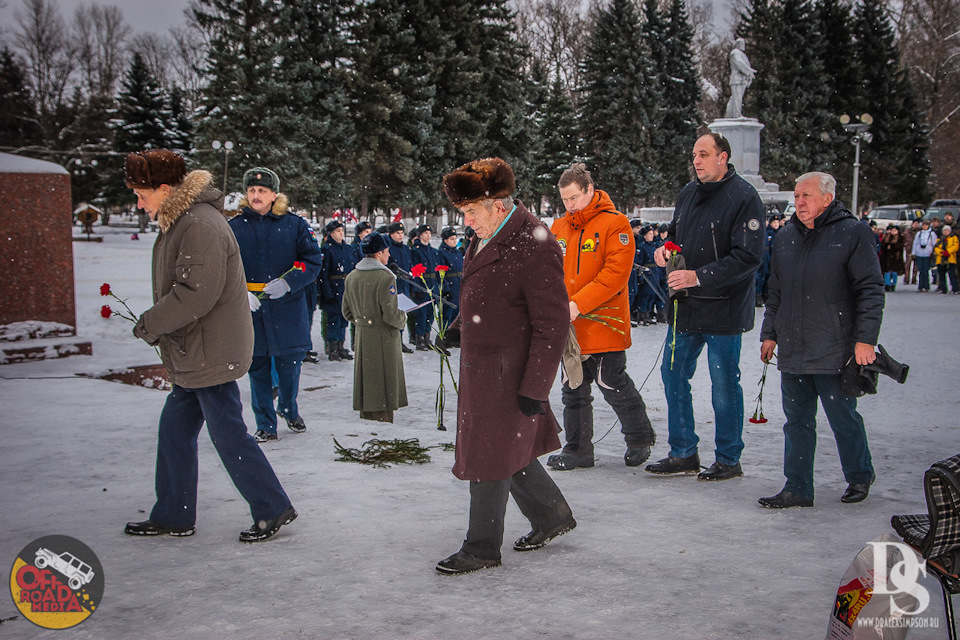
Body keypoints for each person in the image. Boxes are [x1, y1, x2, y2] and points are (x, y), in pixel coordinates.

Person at [123, 150, 297, 542]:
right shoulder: (183, 220)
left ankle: (270, 507)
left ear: (165, 189)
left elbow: (194, 294)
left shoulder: (198, 224)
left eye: (141, 193)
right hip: (197, 347)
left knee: (228, 433)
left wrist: (151, 323)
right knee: (175, 431)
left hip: (209, 349)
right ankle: (174, 513)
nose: (139, 202)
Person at [435, 157, 575, 575]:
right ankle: (552, 515)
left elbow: (553, 323)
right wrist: (460, 327)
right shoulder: (486, 234)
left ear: (497, 205)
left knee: (489, 453)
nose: (467, 221)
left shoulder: (536, 243)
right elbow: (488, 292)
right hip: (482, 365)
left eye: (471, 212)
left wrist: (536, 386)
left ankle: (481, 547)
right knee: (507, 446)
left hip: (509, 371)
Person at [758, 172, 884, 508]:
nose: (799, 202)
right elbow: (776, 292)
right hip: (793, 348)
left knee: (842, 417)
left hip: (835, 347)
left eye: (807, 196)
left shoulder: (853, 233)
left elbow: (870, 290)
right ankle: (797, 486)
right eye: (797, 196)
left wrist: (865, 339)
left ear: (827, 198)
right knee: (797, 422)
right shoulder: (785, 238)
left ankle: (859, 474)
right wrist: (769, 333)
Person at [646, 133, 764, 481]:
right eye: (694, 155)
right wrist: (665, 251)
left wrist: (699, 277)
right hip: (685, 308)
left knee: (724, 385)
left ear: (723, 157)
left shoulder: (744, 197)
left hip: (724, 309)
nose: (696, 161)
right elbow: (673, 236)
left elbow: (749, 256)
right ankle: (683, 452)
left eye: (704, 154)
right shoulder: (688, 192)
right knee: (673, 376)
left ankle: (728, 458)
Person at [548, 163, 656, 471]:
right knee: (574, 387)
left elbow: (614, 275)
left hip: (604, 321)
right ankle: (578, 450)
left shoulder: (615, 224)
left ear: (589, 191)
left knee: (611, 382)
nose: (569, 205)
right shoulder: (559, 227)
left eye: (574, 197)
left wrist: (578, 303)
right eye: (564, 199)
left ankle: (639, 437)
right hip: (569, 326)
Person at [228, 167, 322, 443]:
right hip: (250, 309)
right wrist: (238, 293)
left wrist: (290, 282)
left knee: (290, 365)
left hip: (287, 308)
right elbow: (222, 267)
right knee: (256, 367)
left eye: (262, 191)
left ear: (274, 194)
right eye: (252, 191)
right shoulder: (233, 227)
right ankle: (265, 424)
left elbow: (312, 261)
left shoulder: (295, 225)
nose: (256, 196)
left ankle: (288, 408)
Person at [342, 233, 408, 422]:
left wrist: (363, 321)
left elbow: (347, 312)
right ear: (379, 253)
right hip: (383, 339)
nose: (389, 256)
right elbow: (391, 315)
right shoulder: (385, 277)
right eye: (387, 252)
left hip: (363, 339)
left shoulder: (352, 276)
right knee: (383, 393)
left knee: (368, 392)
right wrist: (403, 317)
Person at [319, 220, 356, 361]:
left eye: (342, 230)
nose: (341, 233)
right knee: (333, 320)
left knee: (344, 319)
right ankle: (332, 347)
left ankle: (341, 345)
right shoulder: (327, 249)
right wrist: (327, 292)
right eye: (338, 231)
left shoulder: (347, 248)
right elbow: (324, 273)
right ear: (331, 233)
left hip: (346, 288)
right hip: (333, 288)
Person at [410, 223, 441, 351]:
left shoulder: (433, 251)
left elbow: (437, 270)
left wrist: (439, 286)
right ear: (420, 235)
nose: (428, 236)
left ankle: (427, 337)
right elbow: (414, 271)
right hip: (422, 284)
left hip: (432, 283)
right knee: (421, 314)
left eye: (429, 234)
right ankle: (419, 339)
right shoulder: (416, 251)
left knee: (430, 313)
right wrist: (416, 288)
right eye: (425, 234)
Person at [386, 221, 415, 353]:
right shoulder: (388, 249)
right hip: (392, 286)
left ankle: (400, 340)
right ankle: (392, 341)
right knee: (392, 315)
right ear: (391, 234)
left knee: (402, 315)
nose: (400, 235)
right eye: (397, 233)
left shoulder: (405, 249)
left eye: (402, 233)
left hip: (404, 285)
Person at [437, 226, 463, 331]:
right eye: (452, 239)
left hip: (458, 284)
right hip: (449, 285)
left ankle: (453, 333)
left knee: (456, 312)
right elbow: (440, 273)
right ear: (445, 240)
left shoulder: (457, 253)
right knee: (446, 312)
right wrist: (445, 288)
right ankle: (444, 333)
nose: (455, 241)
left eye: (455, 238)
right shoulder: (441, 253)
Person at [726, 38, 756, 119]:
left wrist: (749, 74)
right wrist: (749, 72)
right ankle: (736, 115)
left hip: (741, 79)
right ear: (738, 44)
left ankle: (730, 114)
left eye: (744, 44)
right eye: (742, 44)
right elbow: (740, 64)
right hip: (737, 79)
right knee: (737, 98)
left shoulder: (741, 54)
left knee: (736, 98)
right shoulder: (735, 53)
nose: (743, 46)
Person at [879, 226, 905, 292]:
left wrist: (892, 246)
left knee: (894, 272)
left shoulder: (900, 238)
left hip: (896, 258)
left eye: (895, 231)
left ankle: (893, 284)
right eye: (892, 230)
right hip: (887, 257)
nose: (893, 232)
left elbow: (900, 246)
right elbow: (883, 246)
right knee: (887, 271)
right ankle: (887, 285)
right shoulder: (887, 237)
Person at [912, 220, 937, 291]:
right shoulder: (919, 233)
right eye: (923, 225)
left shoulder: (932, 234)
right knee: (920, 271)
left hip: (927, 254)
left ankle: (926, 286)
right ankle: (920, 286)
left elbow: (934, 244)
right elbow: (915, 243)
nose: (924, 226)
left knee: (926, 270)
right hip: (919, 253)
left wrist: (933, 252)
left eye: (926, 225)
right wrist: (914, 252)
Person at [934, 225, 959, 293]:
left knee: (952, 274)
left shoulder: (953, 238)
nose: (945, 232)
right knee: (941, 275)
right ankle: (943, 288)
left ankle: (955, 288)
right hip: (941, 259)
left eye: (947, 230)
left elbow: (956, 246)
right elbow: (936, 248)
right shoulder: (939, 239)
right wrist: (941, 252)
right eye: (944, 230)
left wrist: (948, 251)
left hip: (950, 259)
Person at [903, 219, 920, 285]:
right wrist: (905, 244)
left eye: (917, 223)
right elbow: (903, 238)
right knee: (907, 265)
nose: (915, 225)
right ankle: (906, 279)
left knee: (916, 267)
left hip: (917, 250)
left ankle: (914, 279)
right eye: (914, 223)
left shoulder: (920, 232)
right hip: (908, 250)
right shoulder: (907, 232)